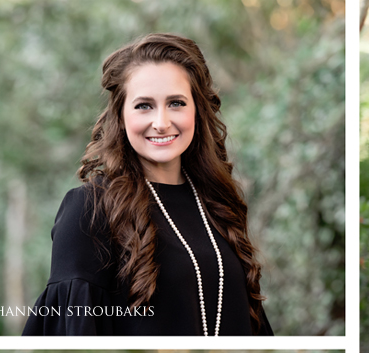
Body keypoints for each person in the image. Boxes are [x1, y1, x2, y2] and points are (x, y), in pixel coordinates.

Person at [23, 33, 271, 336]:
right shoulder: (89, 210)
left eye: (176, 103)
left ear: (197, 110)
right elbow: (72, 330)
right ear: (121, 116)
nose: (162, 121)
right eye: (144, 106)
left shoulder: (218, 202)